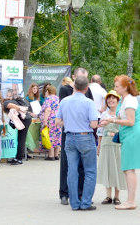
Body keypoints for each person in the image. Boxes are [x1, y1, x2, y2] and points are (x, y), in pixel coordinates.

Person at [56, 76, 99, 211]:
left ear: (73, 87)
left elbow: (58, 121)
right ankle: (85, 202)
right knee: (90, 170)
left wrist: (69, 123)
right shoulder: (89, 103)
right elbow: (93, 124)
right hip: (85, 137)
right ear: (86, 88)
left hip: (69, 137)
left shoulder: (64, 101)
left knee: (72, 170)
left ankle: (74, 203)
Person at [100, 75, 140, 210]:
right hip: (127, 136)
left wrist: (112, 121)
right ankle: (130, 200)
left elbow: (130, 121)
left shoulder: (129, 101)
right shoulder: (125, 100)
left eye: (117, 86)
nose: (115, 89)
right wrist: (108, 120)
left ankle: (131, 201)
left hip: (131, 136)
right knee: (127, 169)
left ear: (124, 87)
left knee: (129, 169)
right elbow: (120, 116)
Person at [96, 90, 126, 206]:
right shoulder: (104, 114)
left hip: (118, 145)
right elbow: (100, 131)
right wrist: (99, 146)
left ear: (118, 100)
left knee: (118, 170)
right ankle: (108, 195)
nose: (111, 100)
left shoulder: (121, 114)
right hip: (106, 145)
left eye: (113, 98)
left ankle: (117, 197)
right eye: (109, 98)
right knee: (107, 168)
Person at [3, 94, 32, 166]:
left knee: (21, 139)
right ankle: (18, 157)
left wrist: (20, 109)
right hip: (26, 119)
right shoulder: (14, 101)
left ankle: (19, 159)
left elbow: (17, 108)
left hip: (24, 119)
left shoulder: (5, 103)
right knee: (21, 139)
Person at [40, 85, 62, 161]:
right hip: (58, 119)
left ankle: (51, 155)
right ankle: (56, 155)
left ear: (48, 91)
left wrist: (45, 121)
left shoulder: (48, 99)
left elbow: (48, 110)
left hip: (51, 120)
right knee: (58, 137)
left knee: (51, 137)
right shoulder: (57, 98)